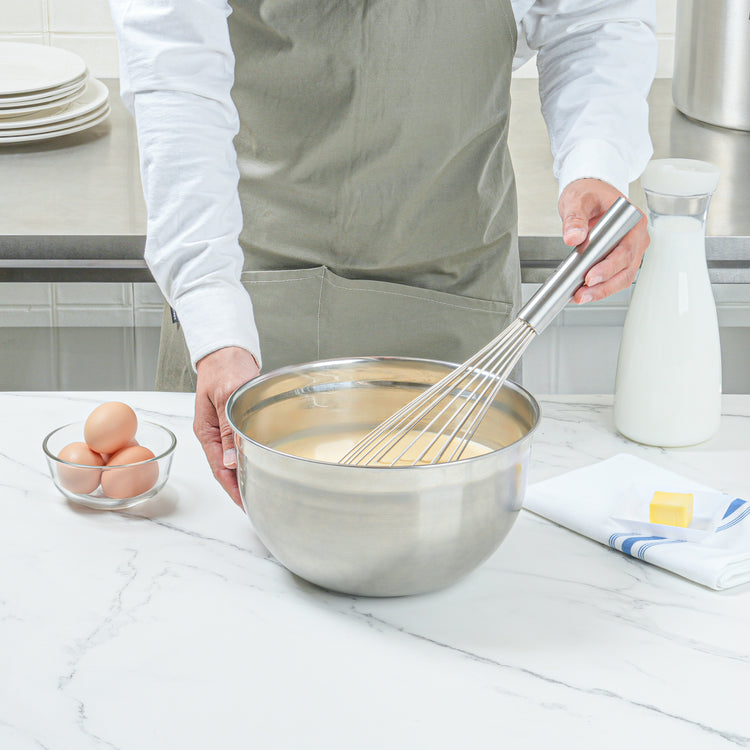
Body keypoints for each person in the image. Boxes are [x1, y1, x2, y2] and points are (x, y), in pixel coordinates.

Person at [108, 0, 656, 507]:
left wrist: (598, 158)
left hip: (453, 294)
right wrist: (210, 308)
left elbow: (593, 19)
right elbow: (175, 69)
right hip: (244, 298)